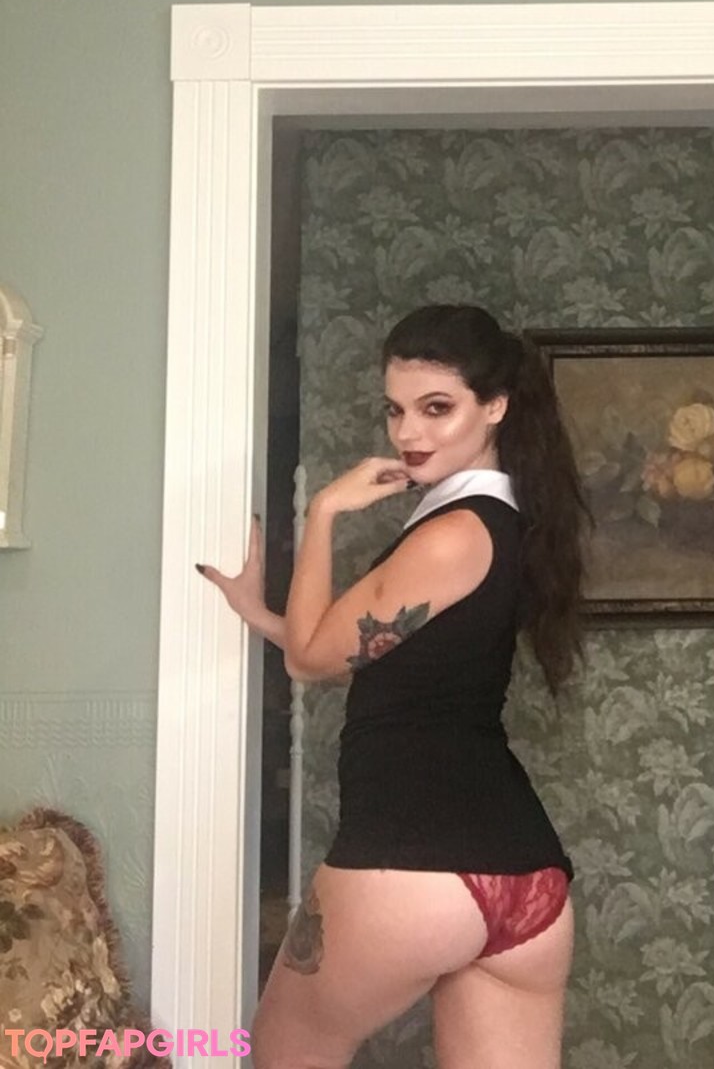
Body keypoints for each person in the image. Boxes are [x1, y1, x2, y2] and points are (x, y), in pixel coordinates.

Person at [198, 304, 591, 1069]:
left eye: (436, 408)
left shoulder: (453, 532)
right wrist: (264, 616)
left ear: (495, 405)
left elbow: (310, 660)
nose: (409, 431)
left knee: (282, 1055)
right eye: (396, 409)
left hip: (412, 857)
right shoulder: (502, 523)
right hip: (526, 883)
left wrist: (325, 510)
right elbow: (374, 651)